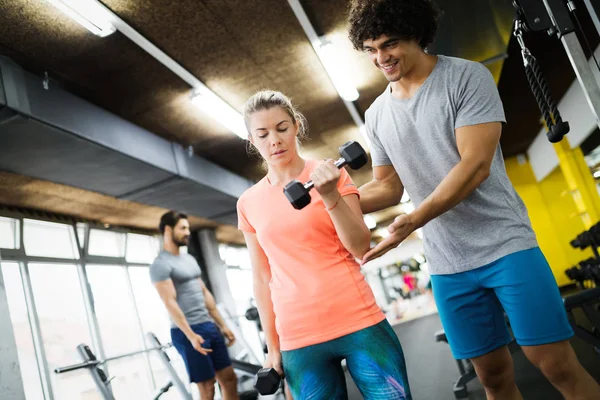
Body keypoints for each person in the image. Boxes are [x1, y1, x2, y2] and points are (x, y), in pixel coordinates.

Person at [347, 1, 600, 399]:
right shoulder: (377, 114)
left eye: (389, 44)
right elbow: (388, 187)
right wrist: (335, 196)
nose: (381, 57)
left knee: (556, 364)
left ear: (416, 34)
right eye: (371, 49)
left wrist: (414, 220)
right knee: (493, 379)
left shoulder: (465, 77)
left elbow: (475, 166)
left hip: (506, 245)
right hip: (449, 264)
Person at [236, 90, 412, 399]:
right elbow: (262, 278)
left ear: (297, 126)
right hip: (299, 338)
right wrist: (272, 348)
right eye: (262, 134)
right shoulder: (248, 203)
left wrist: (330, 194)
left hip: (358, 319)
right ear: (252, 141)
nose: (274, 140)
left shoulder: (332, 174)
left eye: (281, 128)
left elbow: (360, 246)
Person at [150, 211, 239, 400]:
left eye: (188, 228)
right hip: (187, 331)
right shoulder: (160, 264)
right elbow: (170, 302)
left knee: (229, 379)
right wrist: (190, 335)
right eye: (182, 228)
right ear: (167, 230)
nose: (187, 232)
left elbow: (205, 293)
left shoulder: (189, 259)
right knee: (207, 387)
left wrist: (222, 325)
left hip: (207, 325)